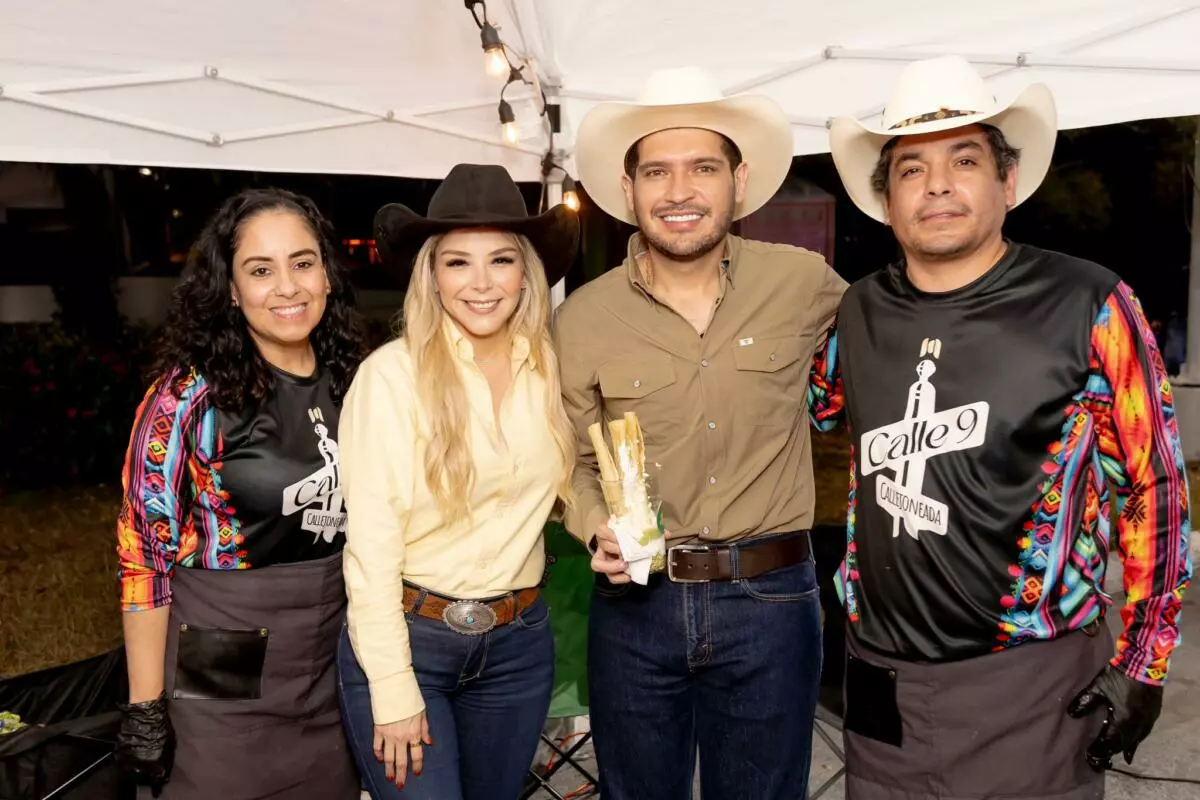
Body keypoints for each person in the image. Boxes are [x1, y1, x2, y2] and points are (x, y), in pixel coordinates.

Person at [814, 55, 1193, 799]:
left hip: (1033, 691)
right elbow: (810, 407)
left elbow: (1155, 487)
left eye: (964, 160)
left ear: (1008, 182)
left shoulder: (1088, 304)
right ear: (886, 198)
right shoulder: (858, 312)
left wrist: (1144, 663)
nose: (937, 185)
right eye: (912, 168)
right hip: (881, 685)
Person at [554, 66, 847, 800]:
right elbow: (566, 460)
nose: (679, 191)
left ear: (739, 181)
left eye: (703, 168)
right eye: (657, 171)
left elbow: (898, 339)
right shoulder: (581, 320)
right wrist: (593, 526)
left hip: (773, 602)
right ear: (628, 189)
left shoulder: (804, 284)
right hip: (637, 607)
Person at [113, 187, 368, 799]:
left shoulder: (358, 380)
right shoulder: (187, 397)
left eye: (302, 263)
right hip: (222, 662)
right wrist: (145, 708)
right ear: (229, 288)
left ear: (327, 275)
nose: (287, 287)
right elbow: (144, 553)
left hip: (331, 660)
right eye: (260, 270)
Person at [335, 164, 579, 800]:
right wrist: (392, 687)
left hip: (519, 647)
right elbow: (371, 550)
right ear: (432, 276)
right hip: (411, 642)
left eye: (500, 260)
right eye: (457, 262)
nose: (481, 283)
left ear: (525, 271)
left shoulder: (550, 371)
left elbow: (572, 486)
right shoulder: (392, 378)